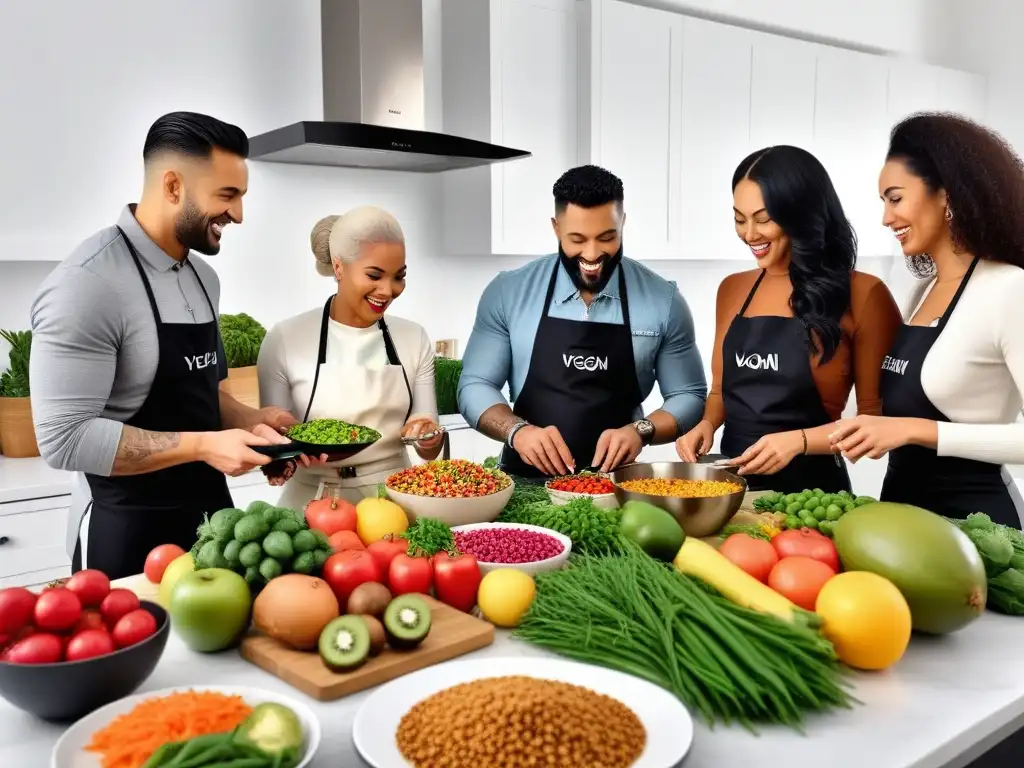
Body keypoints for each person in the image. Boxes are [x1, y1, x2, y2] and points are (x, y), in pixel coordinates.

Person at [30, 111, 293, 580]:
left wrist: (255, 423)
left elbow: (199, 393)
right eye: (227, 196)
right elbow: (63, 439)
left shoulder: (203, 278)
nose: (238, 214)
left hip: (215, 526)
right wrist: (205, 447)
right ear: (173, 186)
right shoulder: (86, 284)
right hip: (126, 533)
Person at [830, 113, 1024, 528]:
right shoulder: (921, 291)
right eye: (883, 202)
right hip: (905, 516)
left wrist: (916, 430)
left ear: (947, 195)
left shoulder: (1009, 289)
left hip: (978, 528)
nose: (885, 218)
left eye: (895, 198)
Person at [675, 146, 902, 494]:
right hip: (731, 497)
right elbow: (721, 390)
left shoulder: (864, 294)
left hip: (813, 500)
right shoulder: (733, 289)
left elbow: (876, 424)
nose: (749, 234)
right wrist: (706, 423)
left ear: (802, 215)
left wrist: (799, 441)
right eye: (739, 218)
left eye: (763, 219)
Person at [459, 164, 707, 478]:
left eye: (607, 237)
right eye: (577, 239)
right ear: (556, 228)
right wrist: (517, 431)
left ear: (623, 223)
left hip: (620, 484)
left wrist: (641, 430)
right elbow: (475, 384)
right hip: (522, 480)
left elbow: (689, 394)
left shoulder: (664, 301)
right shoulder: (508, 291)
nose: (592, 254)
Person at [257, 207, 445, 509]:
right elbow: (274, 433)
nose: (388, 290)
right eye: (374, 275)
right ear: (339, 266)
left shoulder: (413, 338)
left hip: (395, 499)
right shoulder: (285, 338)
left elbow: (426, 444)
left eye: (399, 276)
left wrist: (427, 435)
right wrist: (278, 458)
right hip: (311, 499)